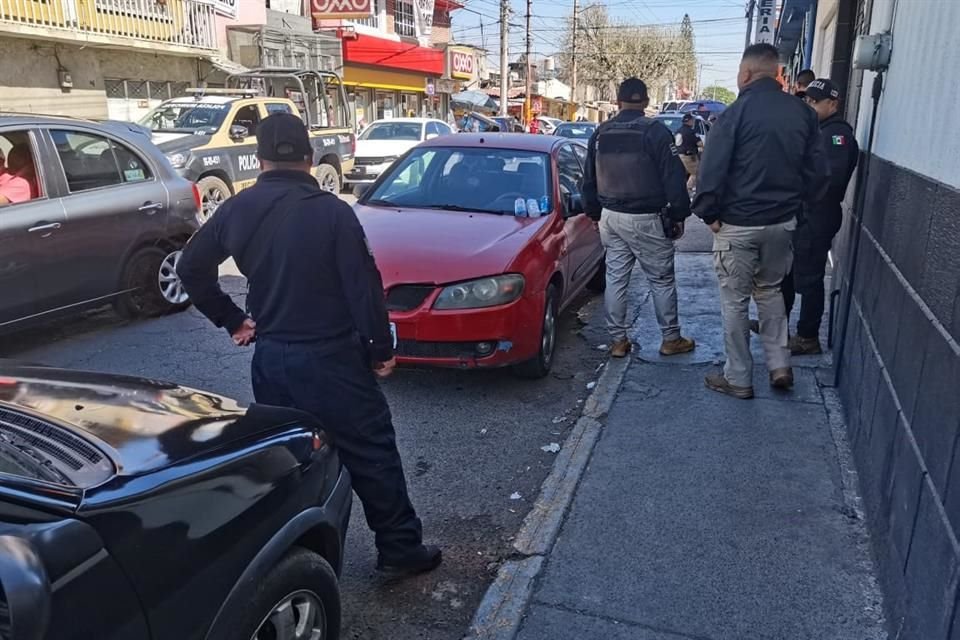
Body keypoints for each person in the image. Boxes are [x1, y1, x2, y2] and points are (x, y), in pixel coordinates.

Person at [177, 113, 441, 576]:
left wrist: (232, 319)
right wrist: (380, 350)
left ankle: (290, 557)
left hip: (272, 360)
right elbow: (362, 288)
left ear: (259, 159)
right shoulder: (332, 212)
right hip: (332, 360)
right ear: (310, 156)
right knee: (371, 451)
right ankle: (400, 549)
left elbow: (190, 268)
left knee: (289, 460)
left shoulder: (236, 209)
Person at [693, 44, 829, 399]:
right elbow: (818, 174)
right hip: (782, 223)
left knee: (735, 302)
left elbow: (711, 171)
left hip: (737, 224)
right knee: (770, 291)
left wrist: (709, 214)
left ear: (746, 74)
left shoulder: (734, 115)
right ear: (778, 74)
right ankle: (779, 365)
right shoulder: (803, 114)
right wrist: (798, 211)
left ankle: (738, 378)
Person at [581, 77, 696, 359]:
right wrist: (679, 214)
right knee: (661, 279)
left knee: (616, 279)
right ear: (645, 102)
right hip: (647, 218)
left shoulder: (601, 132)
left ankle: (618, 341)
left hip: (610, 216)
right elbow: (673, 177)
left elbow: (588, 179)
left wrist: (594, 213)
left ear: (618, 101)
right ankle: (671, 338)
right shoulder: (655, 132)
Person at [781, 78, 859, 355]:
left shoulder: (836, 135)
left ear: (833, 103)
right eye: (807, 100)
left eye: (815, 102)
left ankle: (807, 336)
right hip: (804, 213)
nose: (809, 106)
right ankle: (778, 326)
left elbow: (829, 181)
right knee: (788, 274)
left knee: (810, 278)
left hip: (817, 215)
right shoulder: (818, 132)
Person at [675, 113, 702, 192]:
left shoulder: (678, 131)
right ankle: (688, 188)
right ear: (690, 121)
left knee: (682, 174)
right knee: (696, 173)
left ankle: (679, 189)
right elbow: (700, 143)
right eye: (692, 120)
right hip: (689, 156)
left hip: (679, 155)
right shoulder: (691, 132)